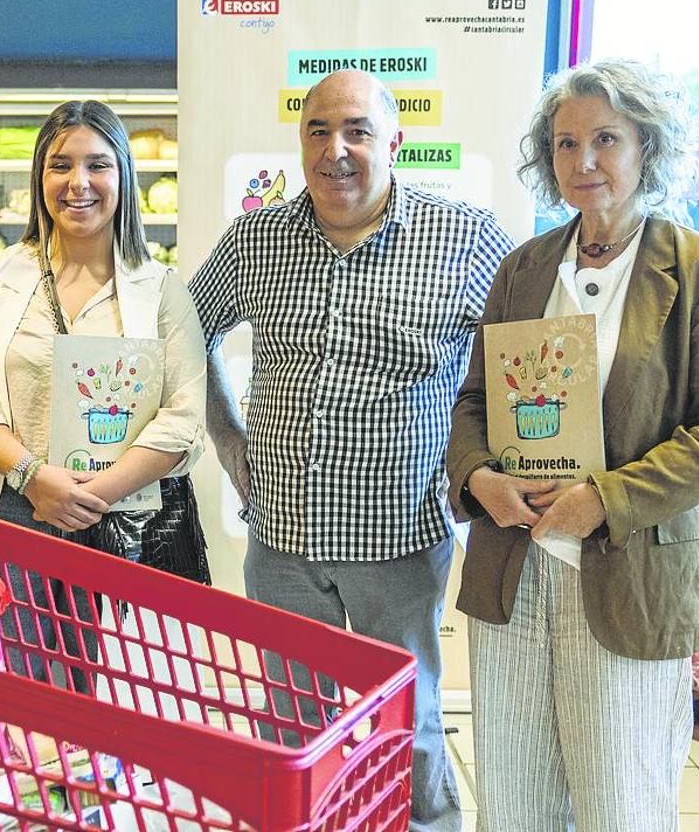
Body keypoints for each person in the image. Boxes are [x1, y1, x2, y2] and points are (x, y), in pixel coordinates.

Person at [189, 69, 513, 832]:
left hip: (398, 541)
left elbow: (521, 357)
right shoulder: (256, 237)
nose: (337, 151)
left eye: (358, 131)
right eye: (318, 131)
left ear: (395, 142)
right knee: (290, 729)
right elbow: (186, 331)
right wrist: (229, 440)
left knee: (412, 726)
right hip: (281, 541)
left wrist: (481, 466)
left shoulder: (465, 238)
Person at [447, 58, 699, 831]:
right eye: (564, 143)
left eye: (606, 139)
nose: (582, 162)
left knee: (622, 797)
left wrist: (603, 500)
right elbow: (475, 399)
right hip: (515, 566)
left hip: (630, 569)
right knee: (516, 795)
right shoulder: (523, 268)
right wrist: (479, 475)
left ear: (647, 146)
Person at [0, 100, 209, 693]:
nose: (78, 183)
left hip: (113, 522)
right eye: (60, 165)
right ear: (41, 176)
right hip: (8, 514)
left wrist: (92, 495)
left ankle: (83, 785)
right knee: (5, 688)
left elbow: (183, 419)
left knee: (93, 691)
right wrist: (35, 477)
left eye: (98, 165)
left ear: (123, 177)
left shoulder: (162, 289)